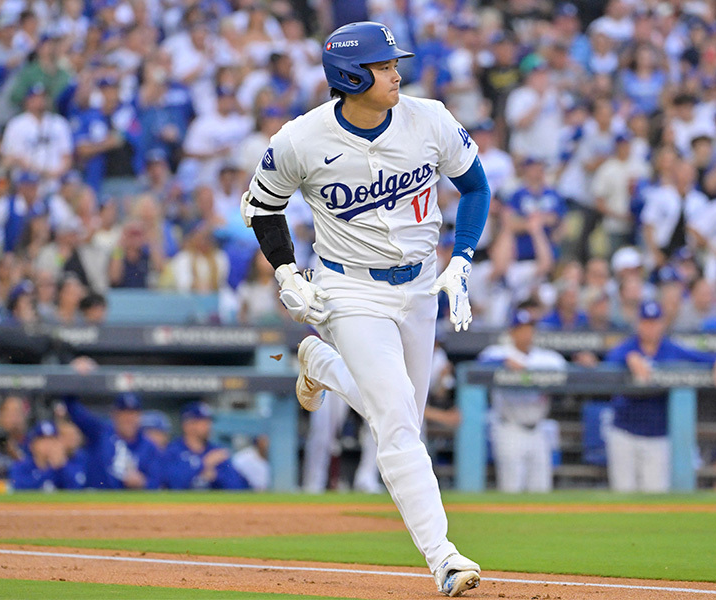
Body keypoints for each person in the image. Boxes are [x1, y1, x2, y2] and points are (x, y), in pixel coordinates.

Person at [240, 22, 487, 597]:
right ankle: (443, 558)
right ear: (350, 76)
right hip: (349, 289)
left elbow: (475, 187)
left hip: (420, 285)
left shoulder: (430, 117)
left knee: (401, 420)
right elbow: (262, 206)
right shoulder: (302, 138)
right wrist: (285, 271)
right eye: (382, 65)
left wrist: (463, 257)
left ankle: (321, 366)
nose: (395, 71)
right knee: (397, 419)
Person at [602, 301, 716, 492]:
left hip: (657, 435)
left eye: (655, 322)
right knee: (623, 494)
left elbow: (703, 357)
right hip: (625, 432)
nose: (650, 327)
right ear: (638, 323)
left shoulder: (670, 348)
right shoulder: (628, 347)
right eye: (646, 322)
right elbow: (609, 361)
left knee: (655, 495)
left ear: (662, 323)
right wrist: (629, 358)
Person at [478, 306, 566, 492]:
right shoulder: (497, 352)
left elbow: (568, 373)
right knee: (511, 488)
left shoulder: (548, 358)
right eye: (522, 328)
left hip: (538, 428)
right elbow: (479, 365)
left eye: (530, 328)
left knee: (541, 488)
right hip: (509, 428)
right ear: (512, 331)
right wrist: (504, 363)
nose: (527, 333)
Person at [63, 393, 162, 489]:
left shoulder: (149, 447)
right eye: (124, 413)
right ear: (115, 414)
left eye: (133, 413)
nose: (128, 418)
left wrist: (142, 482)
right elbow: (72, 407)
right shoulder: (100, 433)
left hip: (131, 503)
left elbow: (159, 482)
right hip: (97, 501)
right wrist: (79, 378)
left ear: (139, 416)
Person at [301, 389, 382, 493]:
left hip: (362, 375)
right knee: (322, 429)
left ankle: (367, 478)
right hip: (332, 376)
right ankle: (313, 483)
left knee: (376, 422)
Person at [161, 402, 249, 490]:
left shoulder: (216, 452)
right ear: (188, 425)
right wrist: (204, 464)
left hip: (215, 502)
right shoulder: (173, 451)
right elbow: (174, 484)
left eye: (209, 422)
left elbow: (238, 486)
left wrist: (216, 477)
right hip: (183, 503)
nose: (208, 426)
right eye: (203, 422)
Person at [9, 421, 87, 491]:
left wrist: (62, 466)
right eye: (43, 439)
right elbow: (19, 487)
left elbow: (77, 489)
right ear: (32, 444)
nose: (48, 443)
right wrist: (50, 471)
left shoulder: (64, 465)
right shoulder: (21, 466)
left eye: (52, 439)